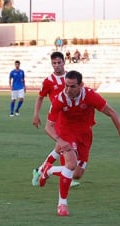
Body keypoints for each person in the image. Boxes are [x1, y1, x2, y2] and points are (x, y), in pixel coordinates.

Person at [39, 70, 120, 216]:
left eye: (72, 86)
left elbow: (112, 113)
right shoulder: (60, 99)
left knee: (77, 174)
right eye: (66, 86)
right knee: (70, 165)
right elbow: (48, 126)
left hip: (85, 135)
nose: (68, 90)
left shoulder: (90, 96)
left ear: (81, 85)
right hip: (66, 133)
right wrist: (60, 141)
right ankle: (62, 205)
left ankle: (49, 170)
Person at [32, 52, 84, 187]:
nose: (57, 65)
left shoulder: (70, 78)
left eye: (59, 62)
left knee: (59, 147)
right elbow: (40, 97)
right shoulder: (48, 81)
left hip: (71, 118)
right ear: (51, 64)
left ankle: (40, 170)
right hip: (59, 119)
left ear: (63, 62)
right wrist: (36, 114)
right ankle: (65, 175)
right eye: (54, 63)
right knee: (64, 146)